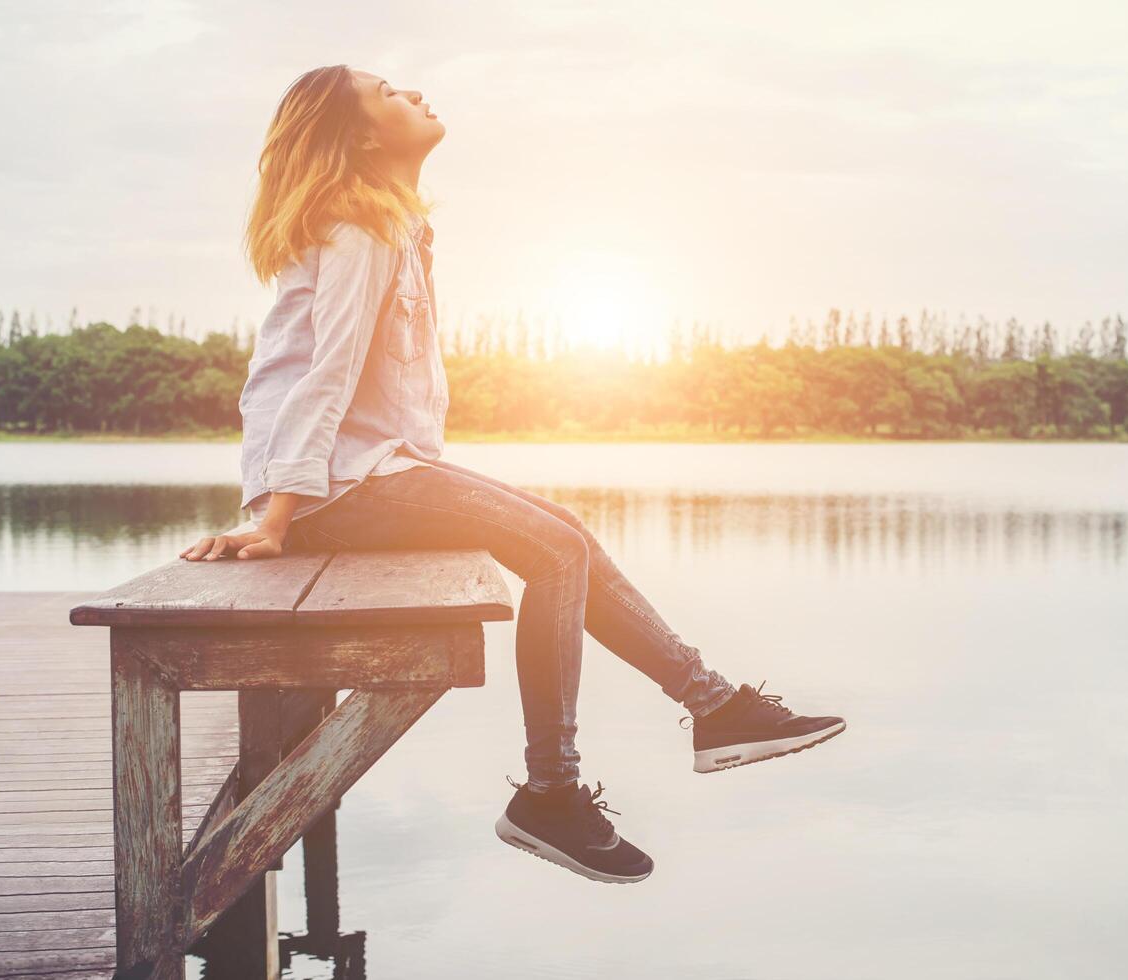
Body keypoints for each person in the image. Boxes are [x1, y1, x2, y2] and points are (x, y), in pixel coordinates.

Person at [178, 64, 846, 884]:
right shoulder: (357, 230)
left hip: (373, 474)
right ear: (360, 135)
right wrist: (278, 517)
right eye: (389, 93)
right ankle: (556, 789)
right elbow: (328, 374)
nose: (414, 92)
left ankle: (714, 709)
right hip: (336, 488)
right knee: (556, 552)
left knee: (566, 537)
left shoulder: (396, 227)